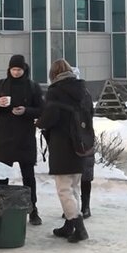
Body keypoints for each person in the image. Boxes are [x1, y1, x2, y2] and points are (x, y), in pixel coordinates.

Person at [0, 54, 44, 225]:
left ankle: (32, 209)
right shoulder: (1, 85)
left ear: (24, 69)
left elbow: (41, 109)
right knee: (2, 175)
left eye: (19, 69)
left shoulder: (32, 86)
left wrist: (26, 110)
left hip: (25, 137)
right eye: (13, 69)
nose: (16, 72)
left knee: (28, 176)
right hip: (5, 137)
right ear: (9, 69)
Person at [37, 59, 91, 243]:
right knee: (73, 186)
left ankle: (79, 228)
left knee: (64, 189)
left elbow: (49, 118)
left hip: (62, 146)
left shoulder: (55, 92)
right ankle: (70, 225)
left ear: (53, 74)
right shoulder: (82, 90)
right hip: (80, 145)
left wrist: (38, 122)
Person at [71, 66, 93, 219]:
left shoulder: (85, 95)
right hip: (72, 138)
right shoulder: (65, 94)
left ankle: (85, 206)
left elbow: (89, 114)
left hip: (84, 137)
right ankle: (72, 205)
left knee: (85, 174)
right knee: (71, 176)